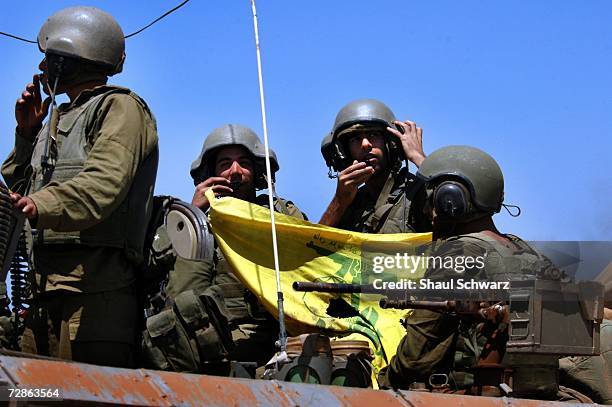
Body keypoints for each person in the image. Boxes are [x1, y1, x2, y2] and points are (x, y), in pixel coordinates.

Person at [1, 6, 159, 367]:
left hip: (95, 299)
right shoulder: (53, 118)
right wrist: (26, 135)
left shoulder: (120, 108)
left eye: (51, 60)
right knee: (32, 398)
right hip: (41, 296)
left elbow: (104, 184)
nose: (42, 69)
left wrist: (39, 205)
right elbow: (23, 190)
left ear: (70, 59)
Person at [380, 146, 592, 401]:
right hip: (537, 394)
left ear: (450, 199)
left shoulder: (457, 255)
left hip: (471, 394)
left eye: (429, 197)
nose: (426, 208)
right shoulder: (525, 251)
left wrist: (383, 379)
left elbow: (416, 358)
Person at [142, 124, 306, 376]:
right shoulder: (193, 219)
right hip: (200, 339)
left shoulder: (280, 214)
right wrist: (192, 213)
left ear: (257, 170)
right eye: (225, 164)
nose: (235, 172)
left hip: (267, 336)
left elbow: (312, 251)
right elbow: (157, 264)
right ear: (211, 173)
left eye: (243, 163)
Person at [319, 99, 430, 233]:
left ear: (391, 144)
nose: (365, 144)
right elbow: (313, 247)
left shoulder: (418, 192)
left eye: (374, 135)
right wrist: (339, 201)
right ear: (344, 152)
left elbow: (457, 210)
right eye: (356, 139)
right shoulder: (349, 203)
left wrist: (419, 157)